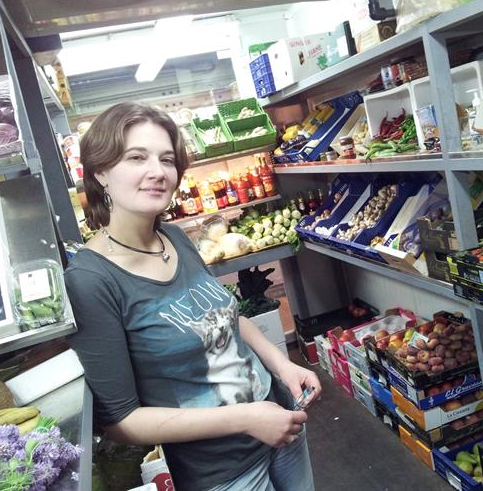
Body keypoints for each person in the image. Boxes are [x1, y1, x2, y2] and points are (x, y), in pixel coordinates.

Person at [64, 102, 321, 491]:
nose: (157, 172)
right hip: (224, 473)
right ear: (100, 171)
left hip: (282, 425)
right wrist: (246, 419)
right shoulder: (91, 280)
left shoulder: (175, 238)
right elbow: (121, 422)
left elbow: (227, 319)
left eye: (167, 159)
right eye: (137, 157)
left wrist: (282, 367)